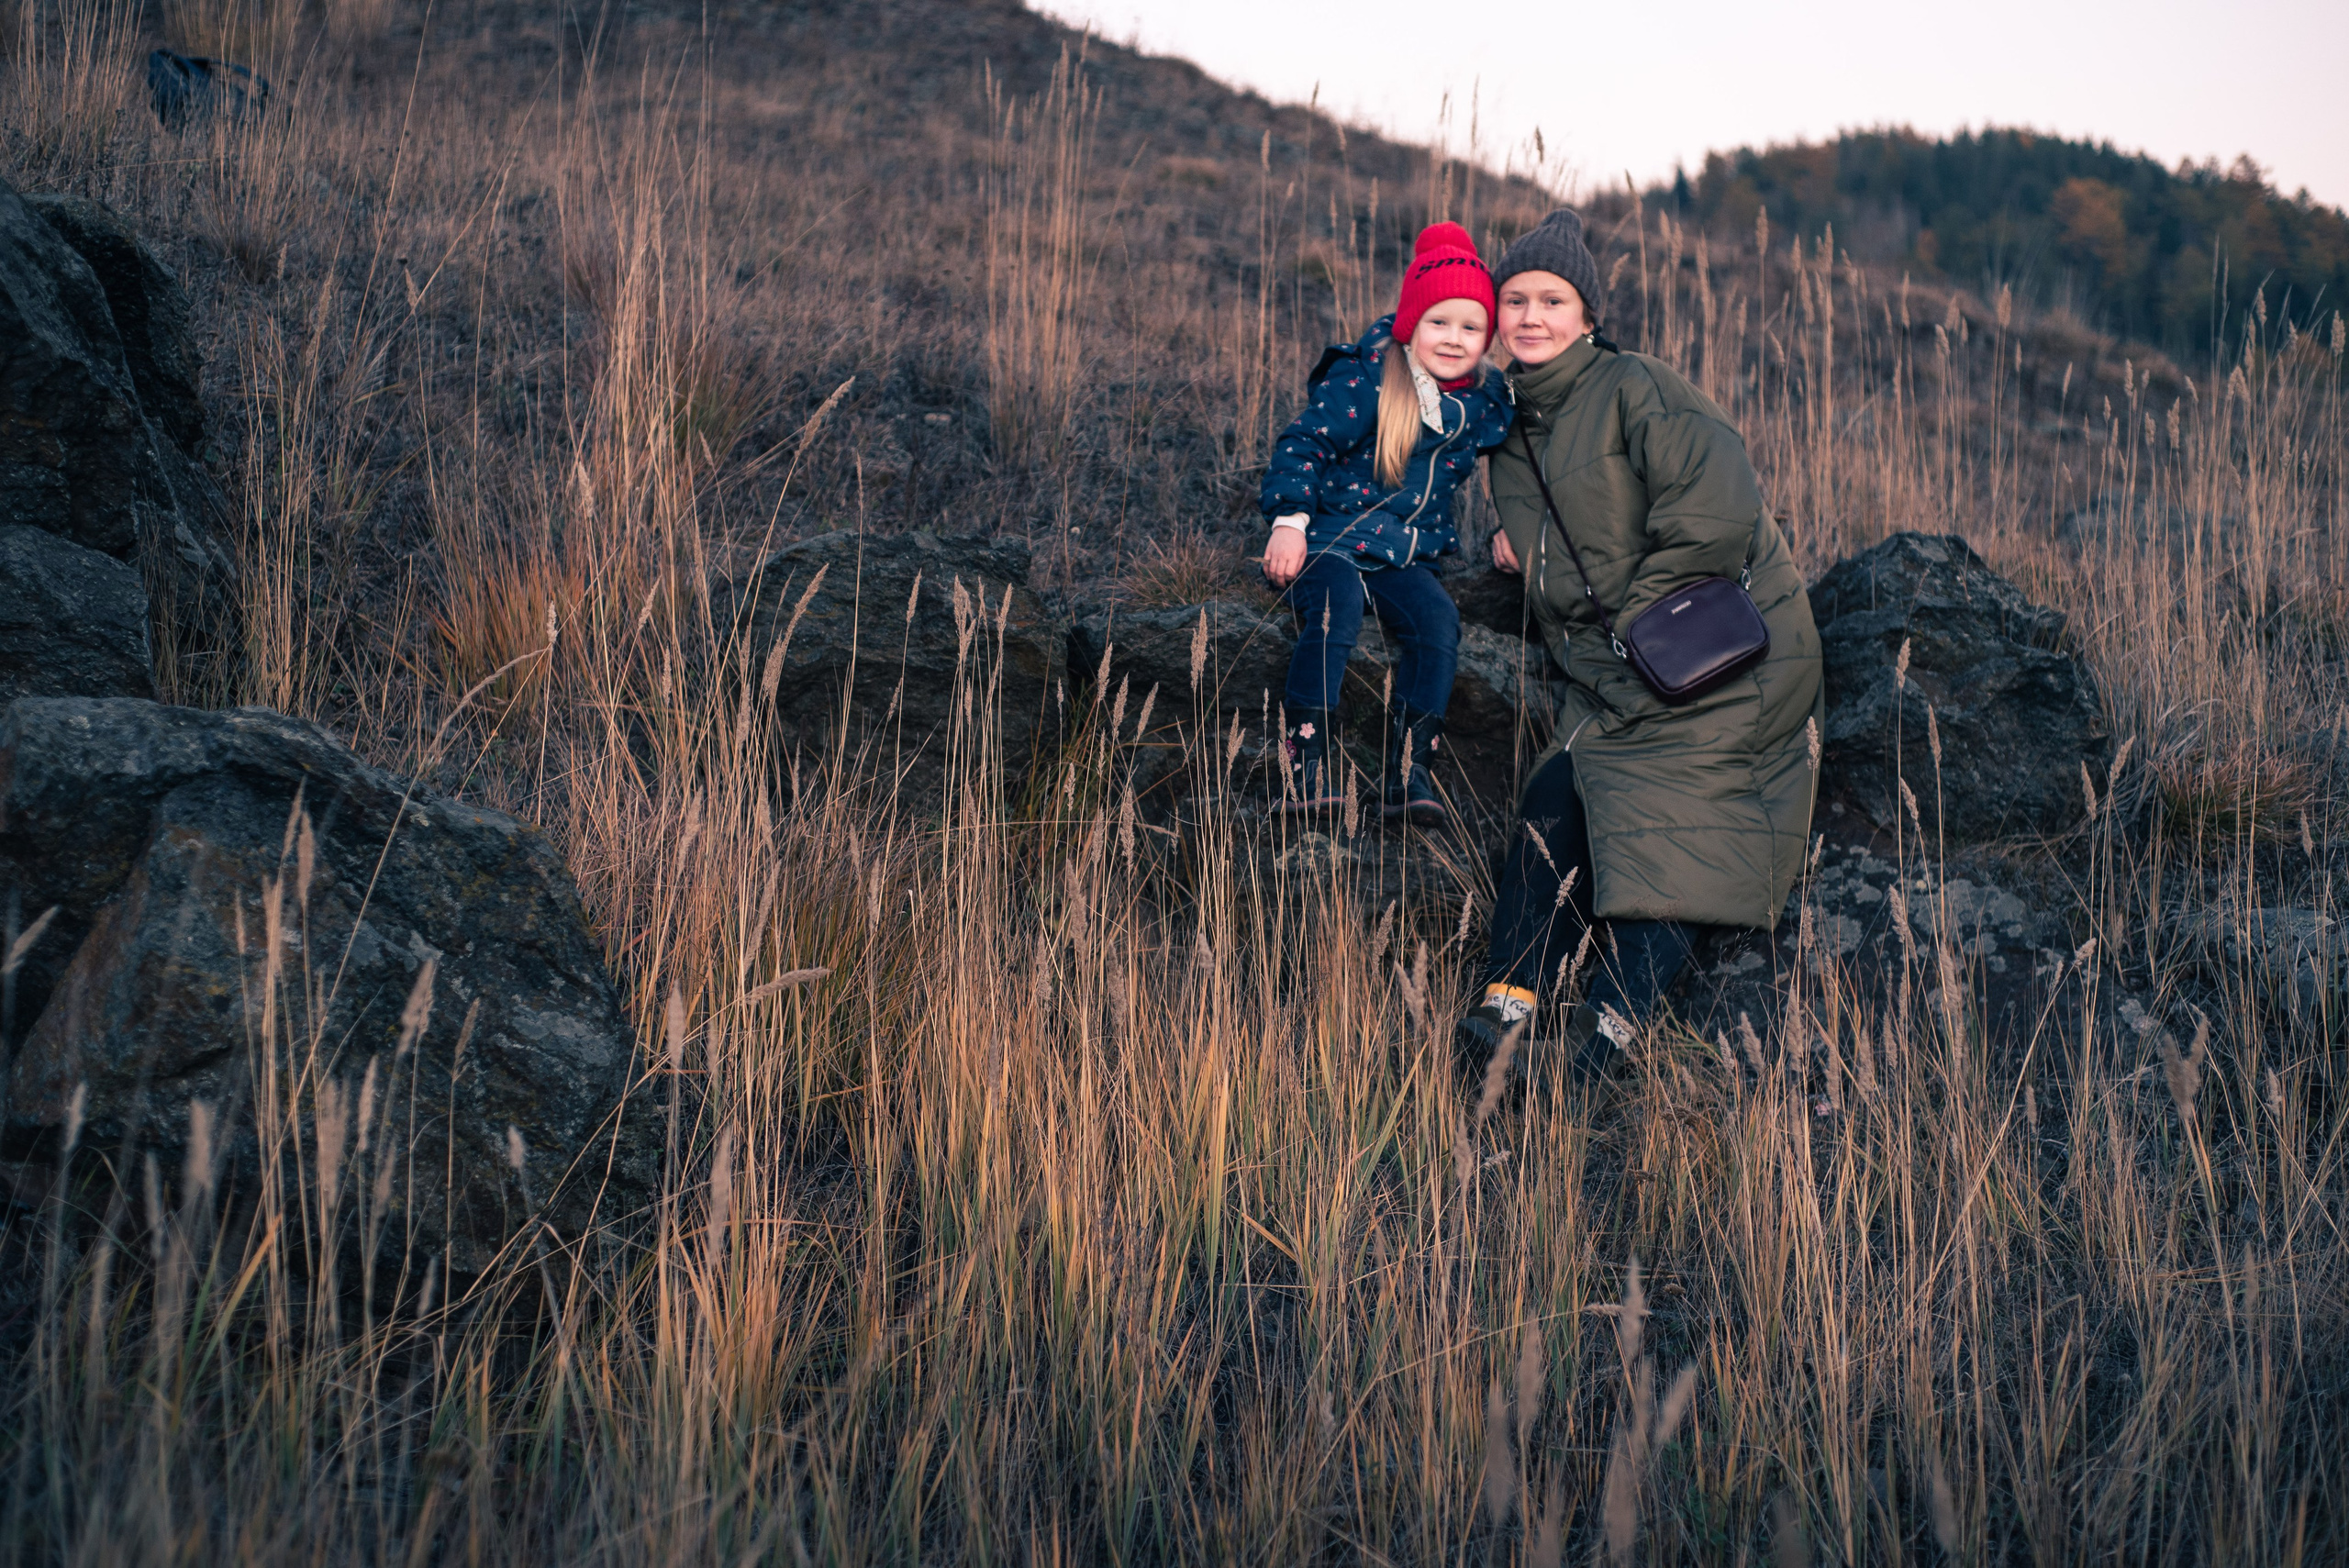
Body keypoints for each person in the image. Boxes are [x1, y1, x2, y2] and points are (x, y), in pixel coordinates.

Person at [1454, 207, 1823, 1080]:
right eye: (1515, 300)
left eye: (1553, 299)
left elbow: (1716, 509)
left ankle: (1604, 1038)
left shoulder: (1637, 387)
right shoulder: (1508, 431)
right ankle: (1508, 1008)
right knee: (1557, 789)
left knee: (1672, 820)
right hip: (1620, 676)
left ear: (1589, 316)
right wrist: (1522, 554)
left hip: (1724, 659)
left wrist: (1632, 622)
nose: (1532, 317)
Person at [1258, 222, 1516, 824]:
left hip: (1405, 557)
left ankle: (1408, 774)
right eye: (1439, 322)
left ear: (1488, 336)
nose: (1454, 338)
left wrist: (1516, 528)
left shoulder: (1483, 401)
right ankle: (1304, 769)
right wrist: (1290, 521)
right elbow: (1305, 443)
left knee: (1437, 619)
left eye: (1471, 326)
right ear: (1411, 323)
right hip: (1332, 541)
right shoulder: (1373, 375)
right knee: (1335, 607)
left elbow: (1528, 460)